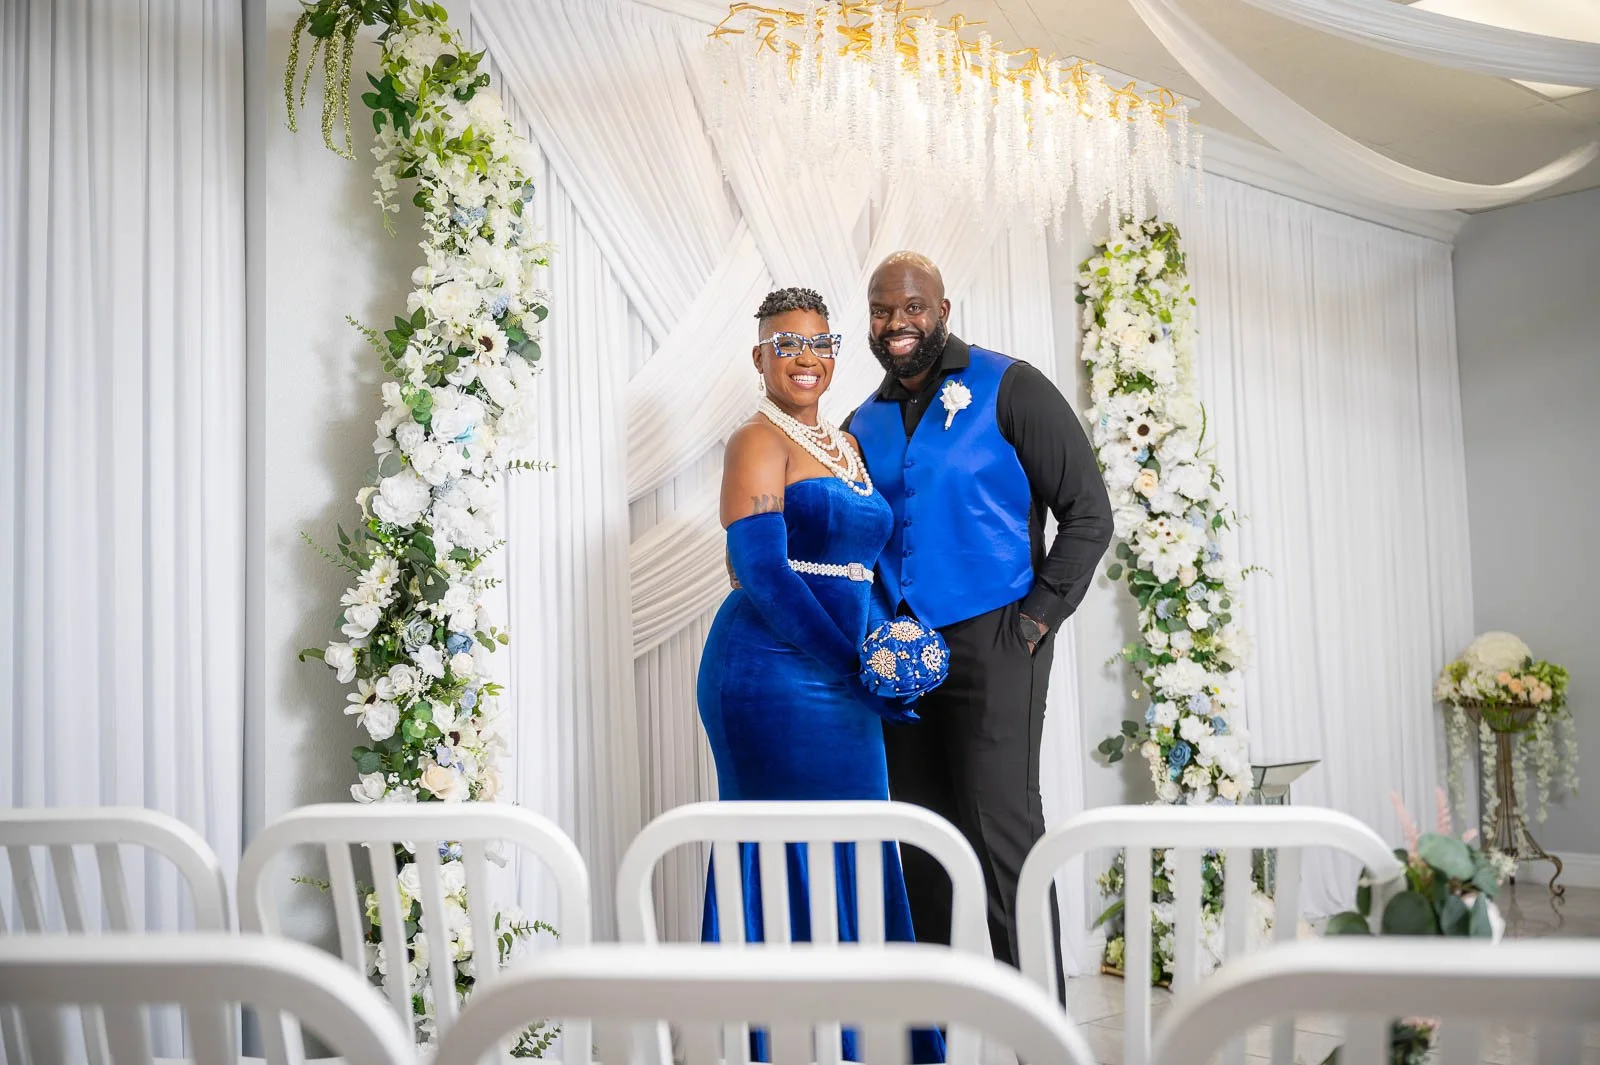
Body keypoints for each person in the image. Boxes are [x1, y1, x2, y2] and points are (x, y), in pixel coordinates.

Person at [844, 252, 1114, 994]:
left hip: (998, 637)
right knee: (920, 841)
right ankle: (936, 1036)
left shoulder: (1010, 385)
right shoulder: (858, 421)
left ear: (943, 309)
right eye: (880, 310)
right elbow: (859, 542)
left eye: (911, 307)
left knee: (1003, 835)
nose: (897, 324)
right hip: (902, 655)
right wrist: (874, 632)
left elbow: (1089, 513)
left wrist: (1034, 622)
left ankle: (1040, 1035)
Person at [697, 286, 943, 1064]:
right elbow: (762, 572)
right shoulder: (753, 441)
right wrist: (853, 665)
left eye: (820, 344)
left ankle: (877, 1045)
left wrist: (900, 644)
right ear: (760, 357)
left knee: (863, 840)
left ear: (835, 353)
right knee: (777, 847)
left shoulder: (847, 445)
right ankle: (760, 1045)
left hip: (846, 677)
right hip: (768, 674)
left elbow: (866, 568)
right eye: (787, 345)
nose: (806, 359)